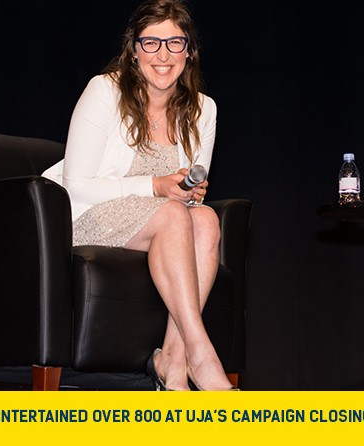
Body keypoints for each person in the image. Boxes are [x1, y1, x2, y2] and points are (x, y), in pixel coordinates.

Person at [42, 0, 234, 391]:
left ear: (189, 52)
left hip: (163, 220)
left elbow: (188, 196)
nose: (163, 55)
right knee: (173, 214)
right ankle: (201, 355)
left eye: (175, 43)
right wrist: (156, 186)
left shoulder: (203, 109)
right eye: (151, 43)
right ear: (134, 50)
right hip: (87, 216)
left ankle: (173, 365)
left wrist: (188, 190)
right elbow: (76, 184)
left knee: (205, 219)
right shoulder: (104, 91)